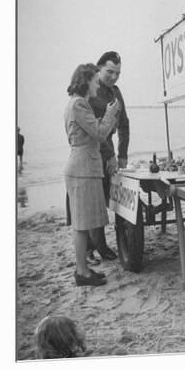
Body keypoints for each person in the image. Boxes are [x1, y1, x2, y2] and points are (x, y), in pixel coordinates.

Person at [64, 63, 120, 286]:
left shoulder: (77, 104)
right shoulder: (79, 104)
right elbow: (99, 133)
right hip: (83, 169)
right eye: (95, 80)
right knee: (81, 224)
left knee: (82, 223)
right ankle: (82, 272)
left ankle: (83, 269)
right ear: (86, 80)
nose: (98, 84)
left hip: (82, 167)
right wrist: (110, 113)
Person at [87, 51, 130, 261]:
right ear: (99, 68)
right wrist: (110, 156)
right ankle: (95, 247)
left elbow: (124, 124)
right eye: (110, 72)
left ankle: (100, 246)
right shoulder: (91, 91)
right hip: (92, 151)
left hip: (110, 149)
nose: (113, 77)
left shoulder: (116, 91)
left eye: (118, 73)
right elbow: (96, 131)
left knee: (105, 198)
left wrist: (122, 154)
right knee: (92, 202)